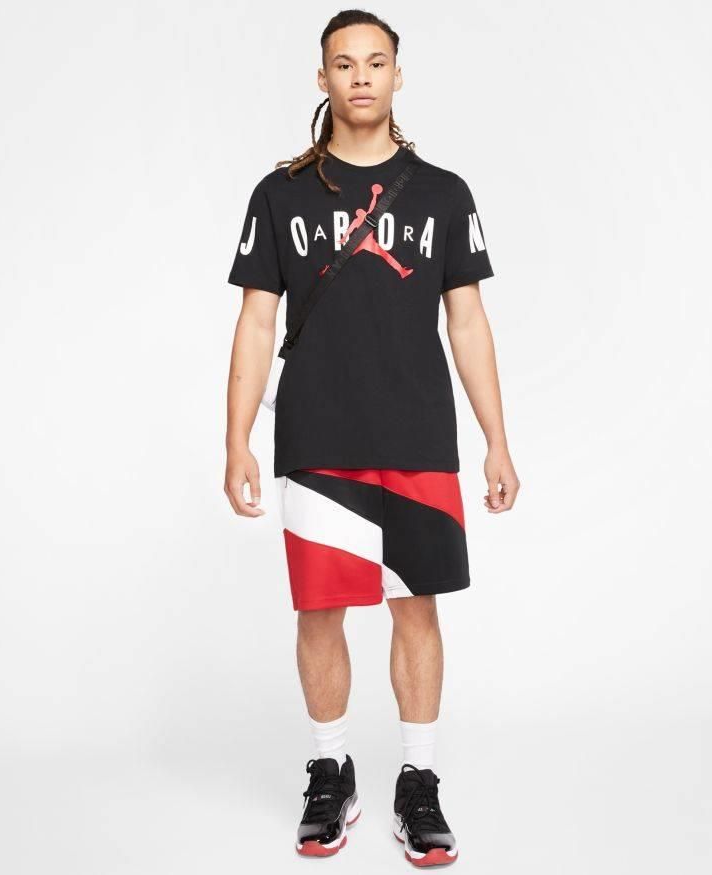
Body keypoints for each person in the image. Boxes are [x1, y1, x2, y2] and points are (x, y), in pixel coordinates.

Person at [224, 9, 519, 867]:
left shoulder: (442, 193)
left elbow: (468, 322)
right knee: (320, 611)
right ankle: (331, 769)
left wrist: (496, 439)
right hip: (317, 434)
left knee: (414, 607)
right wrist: (236, 440)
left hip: (417, 433)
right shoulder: (280, 194)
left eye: (375, 61)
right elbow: (254, 322)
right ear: (322, 79)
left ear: (397, 75)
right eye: (344, 63)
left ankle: (417, 781)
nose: (360, 76)